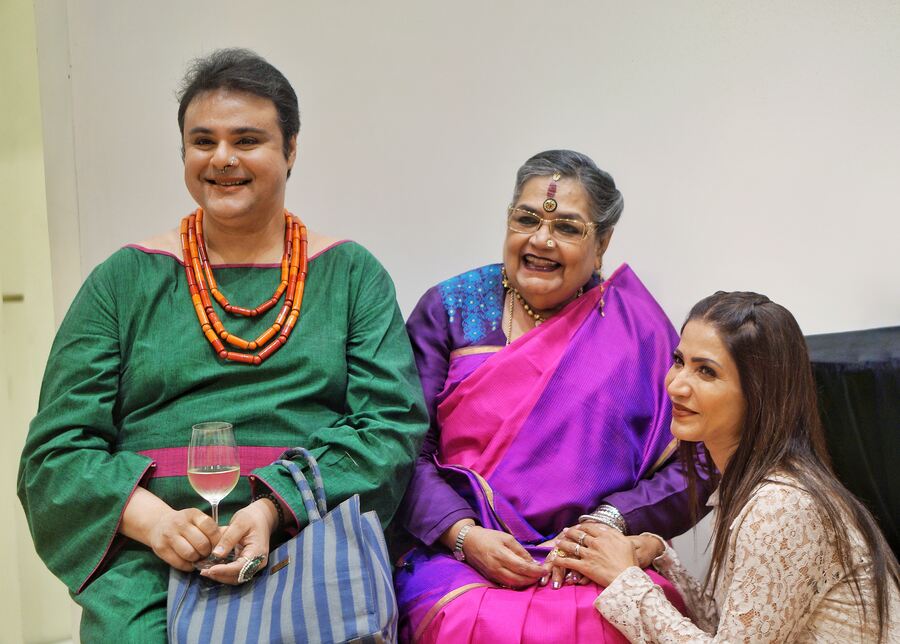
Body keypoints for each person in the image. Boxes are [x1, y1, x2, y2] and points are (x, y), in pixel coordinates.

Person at [17, 48, 428, 641]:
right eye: (202, 141)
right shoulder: (125, 280)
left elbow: (390, 426)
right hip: (149, 561)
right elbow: (55, 454)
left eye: (247, 140)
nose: (223, 159)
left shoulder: (351, 275)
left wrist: (272, 508)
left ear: (291, 150)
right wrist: (156, 523)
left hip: (305, 543)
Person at [394, 149, 709, 642]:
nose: (540, 240)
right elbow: (402, 446)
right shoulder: (450, 310)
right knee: (471, 620)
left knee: (615, 613)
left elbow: (696, 460)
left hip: (587, 555)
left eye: (567, 227)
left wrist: (605, 527)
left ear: (602, 243)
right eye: (526, 219)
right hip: (463, 553)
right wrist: (463, 536)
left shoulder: (637, 330)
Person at [555, 291, 900, 642]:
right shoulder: (753, 482)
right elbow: (727, 625)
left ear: (759, 392)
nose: (676, 385)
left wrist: (623, 579)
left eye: (706, 371)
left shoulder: (780, 507)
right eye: (679, 361)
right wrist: (658, 554)